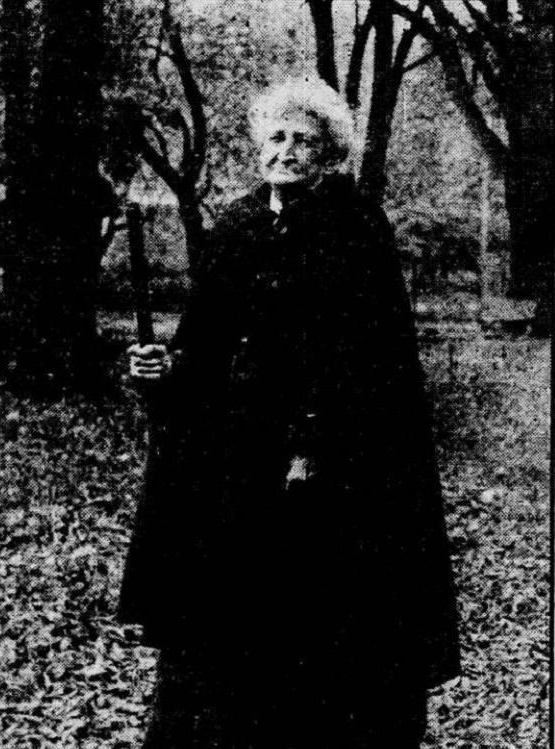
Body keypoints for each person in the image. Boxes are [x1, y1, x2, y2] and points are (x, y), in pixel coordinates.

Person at [119, 76, 460, 748]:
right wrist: (161, 375)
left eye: (304, 140)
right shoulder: (239, 226)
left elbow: (375, 360)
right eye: (276, 138)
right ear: (259, 148)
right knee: (231, 635)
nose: (286, 151)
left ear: (329, 153)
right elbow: (204, 350)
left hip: (336, 474)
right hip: (237, 469)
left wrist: (315, 446)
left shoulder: (356, 228)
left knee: (323, 633)